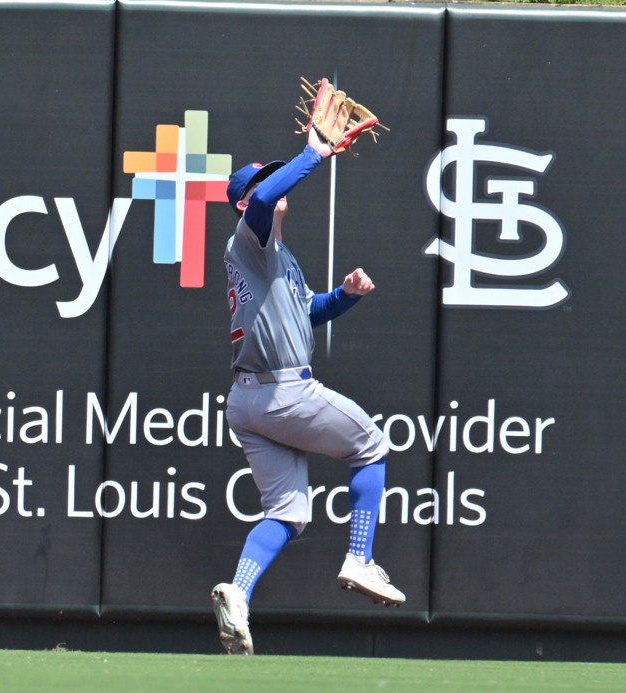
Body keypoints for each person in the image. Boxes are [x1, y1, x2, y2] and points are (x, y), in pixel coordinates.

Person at [211, 126, 405, 656]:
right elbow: (267, 195)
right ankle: (359, 558)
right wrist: (314, 153)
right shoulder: (250, 237)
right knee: (371, 445)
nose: (275, 186)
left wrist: (343, 296)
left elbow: (307, 313)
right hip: (281, 393)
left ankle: (238, 593)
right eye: (264, 182)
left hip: (250, 401)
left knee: (288, 513)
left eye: (276, 175)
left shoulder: (279, 257)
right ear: (245, 202)